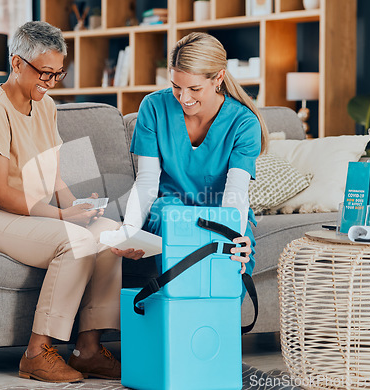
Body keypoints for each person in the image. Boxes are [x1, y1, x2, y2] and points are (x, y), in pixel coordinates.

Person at [0, 21, 121, 383]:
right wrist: (61, 216)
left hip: (27, 212)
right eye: (45, 72)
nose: (51, 82)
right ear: (17, 63)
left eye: (58, 74)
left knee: (109, 234)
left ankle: (88, 350)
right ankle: (36, 353)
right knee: (75, 241)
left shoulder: (46, 106)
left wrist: (78, 208)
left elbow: (53, 173)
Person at [112, 32, 269, 295]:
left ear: (218, 77)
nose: (183, 98)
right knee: (171, 216)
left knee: (233, 267)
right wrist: (129, 230)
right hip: (171, 213)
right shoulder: (153, 107)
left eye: (194, 89)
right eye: (176, 86)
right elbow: (148, 181)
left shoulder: (244, 123)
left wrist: (234, 238)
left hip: (222, 215)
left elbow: (236, 194)